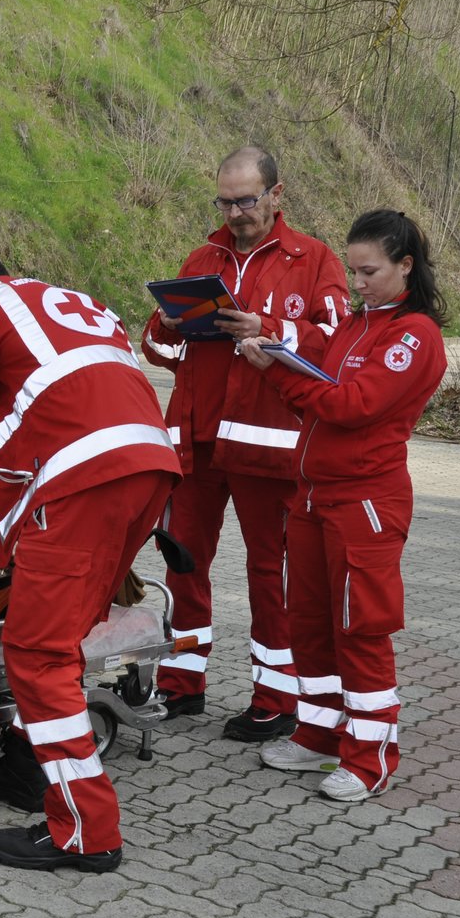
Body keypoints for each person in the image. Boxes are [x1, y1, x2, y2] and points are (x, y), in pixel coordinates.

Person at [0, 248, 181, 873]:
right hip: (148, 468)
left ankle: (86, 830)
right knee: (65, 636)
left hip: (83, 479)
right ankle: (29, 769)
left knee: (36, 652)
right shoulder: (72, 304)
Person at [140, 146, 349, 743]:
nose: (235, 212)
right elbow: (161, 354)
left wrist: (271, 328)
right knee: (183, 559)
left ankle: (277, 696)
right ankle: (181, 682)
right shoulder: (202, 259)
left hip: (269, 446)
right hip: (197, 440)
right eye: (225, 201)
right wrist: (166, 325)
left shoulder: (313, 260)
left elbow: (334, 349)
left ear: (278, 194)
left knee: (271, 571)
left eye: (247, 200)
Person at [241, 210, 447, 801]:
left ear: (405, 266)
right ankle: (319, 731)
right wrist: (281, 364)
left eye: (369, 272)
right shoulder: (357, 324)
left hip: (365, 504)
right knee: (309, 621)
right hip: (313, 496)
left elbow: (351, 405)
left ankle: (371, 754)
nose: (356, 284)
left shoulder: (415, 335)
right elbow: (318, 387)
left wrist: (283, 378)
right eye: (352, 271)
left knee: (360, 628)